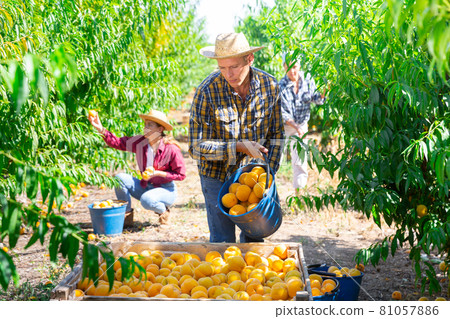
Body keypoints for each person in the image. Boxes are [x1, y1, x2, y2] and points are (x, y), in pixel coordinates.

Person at [189, 32, 285, 243]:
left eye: (233, 67)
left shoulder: (269, 87)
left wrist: (269, 170)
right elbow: (196, 147)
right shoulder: (207, 91)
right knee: (222, 240)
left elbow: (277, 133)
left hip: (252, 174)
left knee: (254, 238)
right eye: (222, 68)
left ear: (249, 59)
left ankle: (252, 276)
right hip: (216, 174)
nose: (228, 74)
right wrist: (238, 147)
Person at [88, 109, 186, 226]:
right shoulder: (140, 143)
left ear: (160, 129)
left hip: (165, 190)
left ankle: (163, 211)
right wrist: (100, 128)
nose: (145, 127)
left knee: (146, 200)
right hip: (145, 186)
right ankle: (126, 216)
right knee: (119, 179)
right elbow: (118, 143)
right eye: (145, 124)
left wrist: (158, 173)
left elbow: (181, 175)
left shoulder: (171, 149)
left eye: (150, 125)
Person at [279, 52, 326, 194]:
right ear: (284, 67)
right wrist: (297, 127)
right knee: (276, 157)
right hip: (285, 126)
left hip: (301, 124)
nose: (292, 71)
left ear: (299, 66)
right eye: (289, 67)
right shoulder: (281, 85)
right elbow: (284, 113)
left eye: (295, 67)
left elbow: (316, 98)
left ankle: (298, 195)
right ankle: (267, 190)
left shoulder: (308, 80)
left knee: (300, 160)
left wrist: (325, 91)